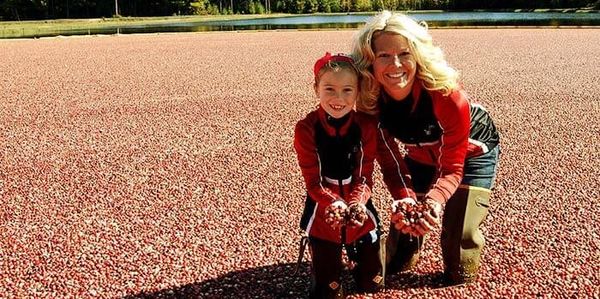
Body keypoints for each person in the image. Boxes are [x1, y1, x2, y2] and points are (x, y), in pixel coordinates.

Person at [351, 11, 501, 285]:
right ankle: (404, 251)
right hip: (421, 153)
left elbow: (452, 169)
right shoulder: (371, 102)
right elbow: (391, 163)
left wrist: (433, 202)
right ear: (369, 61)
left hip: (472, 154)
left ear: (418, 54)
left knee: (460, 257)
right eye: (383, 55)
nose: (395, 64)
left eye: (404, 53)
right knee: (400, 246)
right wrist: (405, 198)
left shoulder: (447, 95)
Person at [294, 52, 385, 298]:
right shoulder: (306, 128)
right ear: (316, 88)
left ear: (357, 91)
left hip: (358, 204)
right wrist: (334, 203)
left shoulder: (366, 125)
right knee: (328, 292)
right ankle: (323, 262)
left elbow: (365, 177)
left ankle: (361, 252)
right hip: (324, 206)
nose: (338, 98)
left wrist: (356, 204)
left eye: (347, 90)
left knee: (373, 284)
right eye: (329, 89)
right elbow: (313, 182)